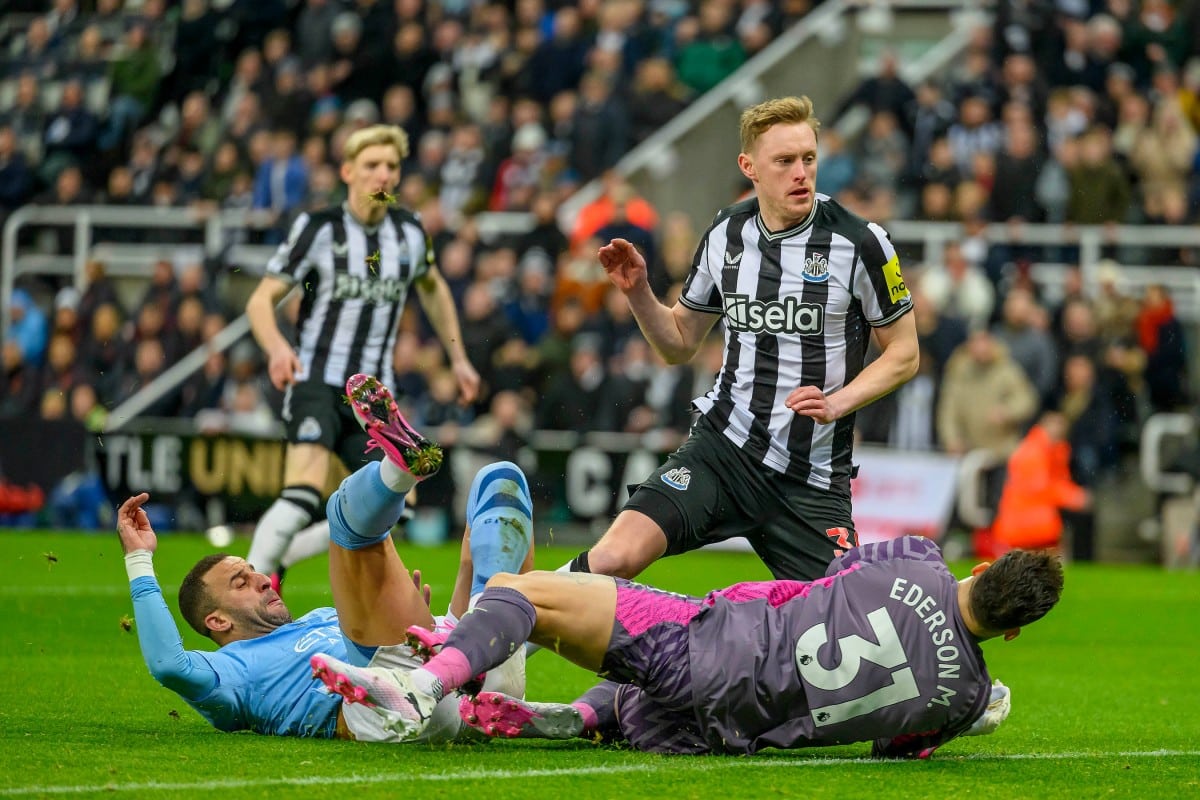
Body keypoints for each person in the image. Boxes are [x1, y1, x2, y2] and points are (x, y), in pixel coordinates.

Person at [313, 535, 1061, 758]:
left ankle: (426, 683)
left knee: (527, 589)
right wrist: (973, 709)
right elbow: (897, 752)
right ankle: (585, 717)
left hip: (715, 645)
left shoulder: (917, 559)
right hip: (732, 731)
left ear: (987, 566)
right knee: (637, 696)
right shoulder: (960, 697)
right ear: (1017, 630)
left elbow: (837, 572)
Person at [577, 96, 919, 582]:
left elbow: (905, 354)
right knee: (613, 558)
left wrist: (839, 402)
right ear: (750, 167)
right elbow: (678, 344)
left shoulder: (861, 242)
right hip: (724, 449)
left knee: (845, 631)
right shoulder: (726, 233)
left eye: (808, 158)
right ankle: (496, 634)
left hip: (811, 478)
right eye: (784, 161)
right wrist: (638, 294)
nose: (800, 172)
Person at [117, 374, 530, 741]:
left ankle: (483, 623)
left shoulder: (319, 618)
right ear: (218, 621)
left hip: (452, 684)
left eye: (253, 571)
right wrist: (139, 559)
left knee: (499, 482)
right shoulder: (230, 673)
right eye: (240, 583)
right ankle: (399, 472)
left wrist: (423, 633)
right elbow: (167, 664)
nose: (263, 579)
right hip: (384, 710)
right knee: (343, 521)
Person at [245, 124, 481, 587]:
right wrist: (276, 348)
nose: (384, 175)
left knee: (399, 506)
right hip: (315, 377)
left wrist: (459, 358)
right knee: (302, 495)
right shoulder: (318, 228)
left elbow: (433, 291)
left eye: (392, 166)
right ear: (348, 171)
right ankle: (246, 592)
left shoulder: (410, 233)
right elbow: (259, 300)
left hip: (373, 397)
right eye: (372, 165)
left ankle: (283, 555)